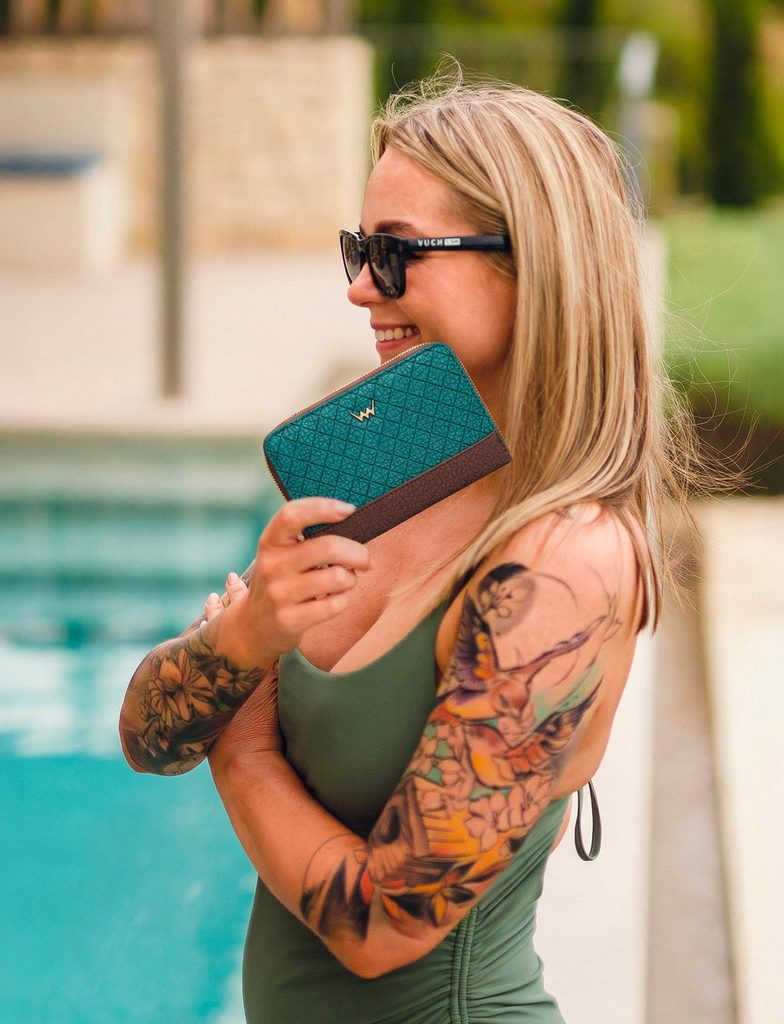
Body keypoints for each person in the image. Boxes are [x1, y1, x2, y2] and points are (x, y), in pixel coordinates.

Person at [119, 68, 692, 1022]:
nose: (358, 289)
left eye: (393, 254)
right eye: (357, 250)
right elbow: (148, 735)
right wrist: (242, 639)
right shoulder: (398, 455)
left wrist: (246, 755)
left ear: (531, 263)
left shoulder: (565, 563)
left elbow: (387, 923)